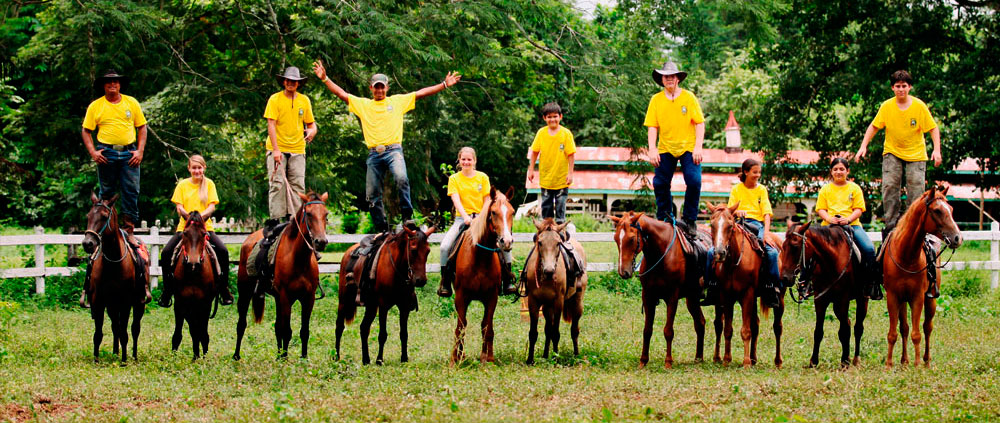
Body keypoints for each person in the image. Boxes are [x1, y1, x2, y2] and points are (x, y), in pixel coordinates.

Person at [312, 60, 461, 232]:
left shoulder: (397, 101)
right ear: (371, 88)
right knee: (372, 194)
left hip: (393, 150)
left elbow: (421, 93)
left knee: (401, 178)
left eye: (382, 87)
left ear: (387, 88)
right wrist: (325, 79)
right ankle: (381, 228)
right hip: (374, 153)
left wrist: (444, 84)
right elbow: (342, 94)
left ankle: (407, 218)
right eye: (376, 87)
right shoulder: (364, 105)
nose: (380, 90)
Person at [81, 68, 151, 304]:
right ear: (104, 86)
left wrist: (140, 151)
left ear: (120, 85)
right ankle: (105, 233)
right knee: (106, 195)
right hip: (107, 151)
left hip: (129, 151)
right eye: (109, 83)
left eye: (116, 83)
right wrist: (93, 151)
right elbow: (86, 130)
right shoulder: (96, 106)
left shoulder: (131, 103)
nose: (113, 86)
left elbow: (142, 127)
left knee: (131, 191)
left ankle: (129, 231)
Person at [854, 70, 941, 235]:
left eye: (904, 86)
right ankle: (891, 225)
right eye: (898, 86)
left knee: (916, 190)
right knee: (890, 187)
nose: (901, 89)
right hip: (892, 152)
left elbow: (933, 128)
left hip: (916, 154)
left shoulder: (919, 106)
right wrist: (863, 146)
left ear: (910, 87)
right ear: (892, 88)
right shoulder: (887, 106)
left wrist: (936, 150)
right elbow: (874, 126)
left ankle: (913, 224)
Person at [436, 147, 515, 296]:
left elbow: (487, 199)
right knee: (445, 247)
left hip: (482, 218)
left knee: (503, 240)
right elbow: (455, 199)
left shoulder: (482, 177)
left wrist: (479, 218)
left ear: (474, 161)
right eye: (463, 159)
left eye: (469, 159)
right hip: (462, 220)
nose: (466, 162)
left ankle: (508, 280)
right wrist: (466, 217)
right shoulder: (454, 179)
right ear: (459, 160)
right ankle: (445, 282)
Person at [156, 155, 233, 307]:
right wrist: (189, 217)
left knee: (223, 252)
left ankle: (223, 288)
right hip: (184, 229)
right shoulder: (182, 185)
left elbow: (212, 207)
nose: (197, 171)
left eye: (199, 168)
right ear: (189, 168)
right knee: (166, 253)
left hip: (205, 229)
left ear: (204, 168)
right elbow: (179, 206)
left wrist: (199, 218)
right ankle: (167, 290)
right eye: (194, 168)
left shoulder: (209, 184)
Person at [643, 61, 705, 237]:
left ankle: (689, 219)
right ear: (662, 80)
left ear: (677, 79)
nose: (669, 79)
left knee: (694, 180)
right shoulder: (656, 100)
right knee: (660, 183)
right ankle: (665, 218)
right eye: (666, 76)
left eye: (672, 76)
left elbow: (700, 123)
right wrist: (652, 149)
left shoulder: (689, 97)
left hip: (688, 146)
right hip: (666, 147)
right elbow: (652, 126)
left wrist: (698, 147)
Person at [815, 157, 880, 300]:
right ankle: (806, 283)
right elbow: (820, 209)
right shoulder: (825, 189)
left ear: (847, 171)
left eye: (842, 169)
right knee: (810, 248)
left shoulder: (854, 188)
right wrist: (829, 219)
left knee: (869, 249)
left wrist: (848, 219)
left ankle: (870, 284)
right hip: (829, 227)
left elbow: (859, 209)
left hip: (852, 225)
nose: (839, 172)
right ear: (831, 172)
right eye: (835, 169)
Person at [263, 66, 318, 227]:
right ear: (284, 81)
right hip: (278, 147)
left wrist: (313, 130)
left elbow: (311, 123)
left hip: (297, 148)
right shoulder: (275, 99)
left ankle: (293, 219)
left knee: (297, 185)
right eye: (288, 80)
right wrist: (276, 150)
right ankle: (275, 220)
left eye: (294, 81)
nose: (291, 83)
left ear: (298, 83)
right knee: (277, 183)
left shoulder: (304, 100)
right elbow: (271, 124)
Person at [727, 159, 781, 308]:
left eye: (759, 172)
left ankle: (773, 287)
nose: (758, 175)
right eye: (755, 172)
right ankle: (712, 284)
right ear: (746, 172)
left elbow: (767, 214)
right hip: (739, 223)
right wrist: (738, 211)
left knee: (772, 253)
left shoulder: (761, 189)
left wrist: (766, 234)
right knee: (715, 249)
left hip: (757, 224)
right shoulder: (737, 189)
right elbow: (730, 210)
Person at [527, 102, 576, 226]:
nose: (552, 119)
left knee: (560, 206)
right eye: (549, 117)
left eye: (555, 116)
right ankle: (546, 230)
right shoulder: (541, 133)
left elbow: (571, 155)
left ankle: (560, 231)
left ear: (560, 117)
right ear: (544, 118)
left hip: (561, 179)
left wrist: (570, 174)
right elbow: (534, 152)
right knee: (546, 207)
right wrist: (531, 170)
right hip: (546, 178)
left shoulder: (566, 134)